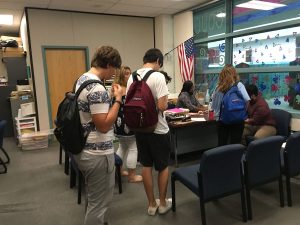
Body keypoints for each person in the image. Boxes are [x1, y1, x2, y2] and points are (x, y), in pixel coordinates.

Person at [73, 46, 122, 225]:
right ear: (108, 64)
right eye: (114, 68)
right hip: (97, 154)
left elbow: (91, 113)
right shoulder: (97, 88)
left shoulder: (83, 79)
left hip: (84, 148)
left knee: (93, 199)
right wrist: (117, 99)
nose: (114, 73)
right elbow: (103, 126)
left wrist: (107, 98)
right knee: (99, 205)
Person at [126, 48, 172, 216]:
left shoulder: (132, 76)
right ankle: (162, 203)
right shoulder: (158, 76)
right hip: (158, 129)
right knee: (163, 167)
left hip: (139, 128)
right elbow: (162, 106)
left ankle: (151, 204)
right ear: (158, 61)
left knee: (146, 165)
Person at [113, 66, 142, 182]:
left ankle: (119, 170)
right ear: (121, 75)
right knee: (133, 148)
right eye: (126, 74)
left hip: (118, 123)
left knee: (123, 146)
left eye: (130, 73)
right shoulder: (127, 88)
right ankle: (132, 175)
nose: (129, 76)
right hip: (127, 122)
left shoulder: (115, 87)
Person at [211, 64, 250, 146]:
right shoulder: (239, 85)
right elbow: (247, 101)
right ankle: (235, 158)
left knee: (222, 144)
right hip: (238, 120)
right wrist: (241, 113)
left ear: (222, 75)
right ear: (235, 74)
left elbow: (214, 107)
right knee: (236, 145)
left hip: (222, 121)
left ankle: (222, 158)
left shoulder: (218, 88)